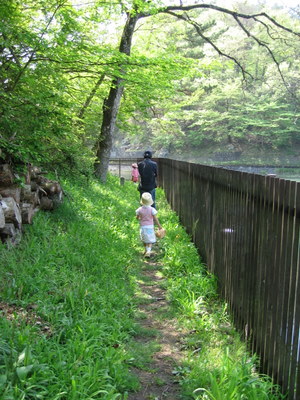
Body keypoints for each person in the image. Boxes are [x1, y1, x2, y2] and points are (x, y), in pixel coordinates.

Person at [136, 192, 162, 258]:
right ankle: (148, 251)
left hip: (143, 227)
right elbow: (155, 218)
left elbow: (137, 218)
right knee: (150, 239)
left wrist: (139, 218)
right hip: (150, 227)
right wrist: (159, 226)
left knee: (144, 239)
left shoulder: (139, 210)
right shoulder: (152, 209)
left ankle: (146, 250)